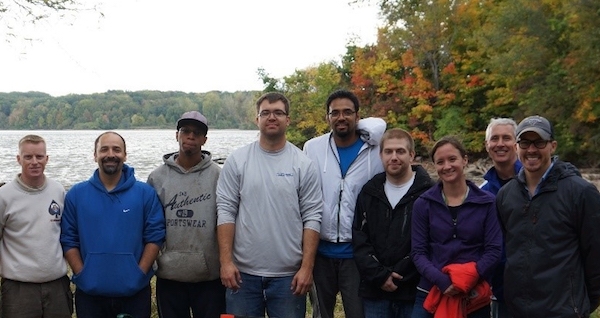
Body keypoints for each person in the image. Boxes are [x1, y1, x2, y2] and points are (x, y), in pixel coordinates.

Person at [216, 92, 324, 318]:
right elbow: (226, 210)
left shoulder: (303, 164)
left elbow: (312, 216)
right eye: (265, 113)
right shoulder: (238, 160)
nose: (271, 117)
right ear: (257, 119)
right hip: (242, 276)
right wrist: (225, 262)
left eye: (278, 112)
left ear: (288, 120)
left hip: (289, 278)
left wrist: (307, 268)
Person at [496, 115, 600, 317]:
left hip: (564, 311)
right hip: (517, 310)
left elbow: (595, 254)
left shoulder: (580, 192)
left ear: (552, 146)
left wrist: (582, 303)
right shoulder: (506, 195)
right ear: (517, 148)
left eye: (539, 142)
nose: (531, 150)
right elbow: (506, 251)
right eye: (525, 143)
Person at [60, 131, 166, 318]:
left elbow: (155, 237)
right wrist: (83, 274)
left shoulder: (145, 194)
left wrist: (139, 274)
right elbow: (69, 238)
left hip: (135, 295)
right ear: (95, 155)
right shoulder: (77, 194)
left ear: (125, 155)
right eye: (104, 149)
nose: (110, 154)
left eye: (117, 150)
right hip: (89, 295)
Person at [303, 89, 386, 318]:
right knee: (321, 314)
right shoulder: (312, 148)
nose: (341, 117)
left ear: (358, 117)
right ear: (327, 117)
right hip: (320, 252)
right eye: (335, 113)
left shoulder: (375, 149)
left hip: (357, 253)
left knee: (358, 313)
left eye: (347, 112)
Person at [411, 136, 502, 318]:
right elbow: (418, 252)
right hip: (432, 290)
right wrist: (443, 281)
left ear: (465, 160)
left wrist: (468, 278)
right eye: (440, 162)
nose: (447, 166)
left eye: (452, 159)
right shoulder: (423, 204)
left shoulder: (487, 203)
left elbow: (494, 250)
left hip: (473, 293)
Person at [147, 111, 225, 318]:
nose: (190, 136)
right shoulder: (157, 177)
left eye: (197, 133)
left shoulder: (219, 176)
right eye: (185, 131)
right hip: (169, 276)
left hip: (209, 278)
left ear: (204, 139)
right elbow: (150, 226)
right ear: (177, 135)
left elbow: (226, 222)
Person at [352, 128, 434, 318]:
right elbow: (359, 239)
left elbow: (432, 240)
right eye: (388, 151)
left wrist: (400, 274)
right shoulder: (369, 192)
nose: (394, 157)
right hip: (375, 291)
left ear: (412, 155)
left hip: (414, 290)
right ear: (381, 155)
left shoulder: (429, 193)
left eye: (400, 151)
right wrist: (380, 275)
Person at [0, 135, 73, 318]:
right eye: (28, 157)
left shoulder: (58, 191)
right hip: (18, 290)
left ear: (46, 159)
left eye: (39, 157)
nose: (34, 162)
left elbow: (67, 234)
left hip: (57, 286)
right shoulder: (4, 196)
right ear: (18, 159)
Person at [480, 118, 522, 318]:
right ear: (487, 146)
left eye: (506, 138)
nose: (500, 143)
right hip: (501, 290)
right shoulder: (483, 193)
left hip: (542, 290)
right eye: (494, 138)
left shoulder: (536, 183)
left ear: (516, 143)